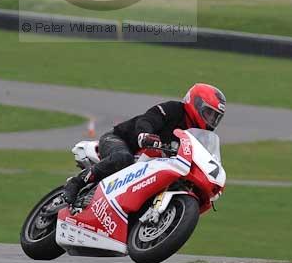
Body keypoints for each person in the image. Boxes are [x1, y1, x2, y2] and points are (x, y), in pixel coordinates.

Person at [64, 82, 226, 205]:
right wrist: (145, 134)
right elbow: (147, 119)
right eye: (209, 113)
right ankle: (76, 183)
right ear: (196, 104)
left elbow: (204, 157)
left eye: (215, 117)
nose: (211, 120)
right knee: (123, 158)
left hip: (152, 164)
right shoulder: (174, 110)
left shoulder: (201, 137)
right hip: (121, 140)